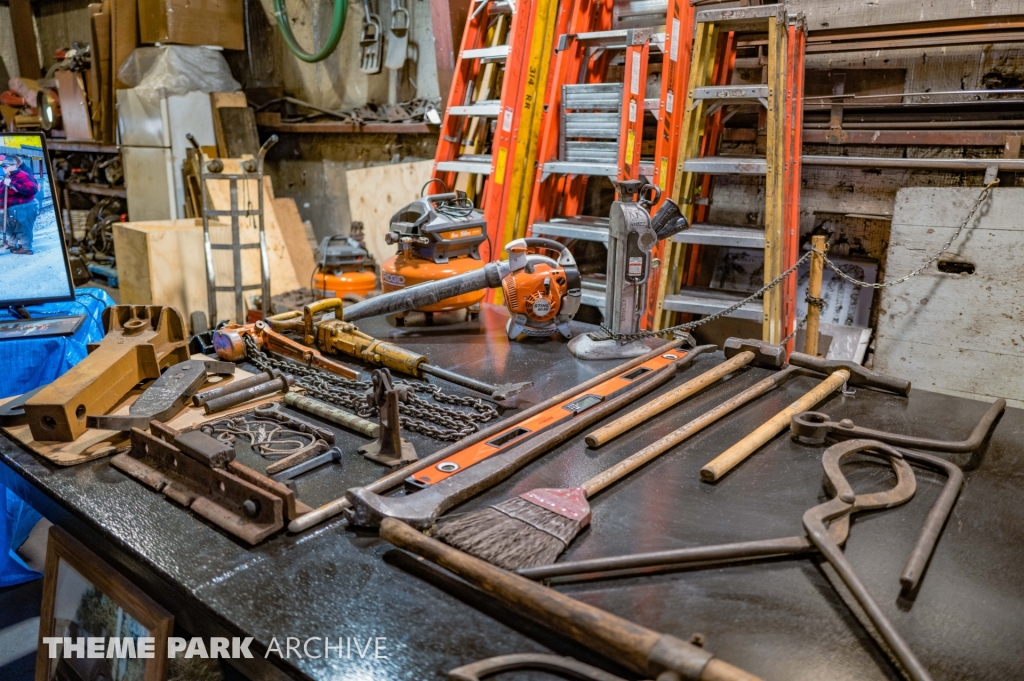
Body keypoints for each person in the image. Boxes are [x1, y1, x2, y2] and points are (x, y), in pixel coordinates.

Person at [1, 154, 40, 255]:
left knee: (23, 228)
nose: (4, 168)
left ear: (14, 165)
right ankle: (12, 243)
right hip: (9, 208)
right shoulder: (8, 176)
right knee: (9, 227)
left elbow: (32, 189)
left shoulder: (23, 175)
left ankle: (26, 248)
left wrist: (12, 184)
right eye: (3, 167)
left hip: (23, 207)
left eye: (6, 166)